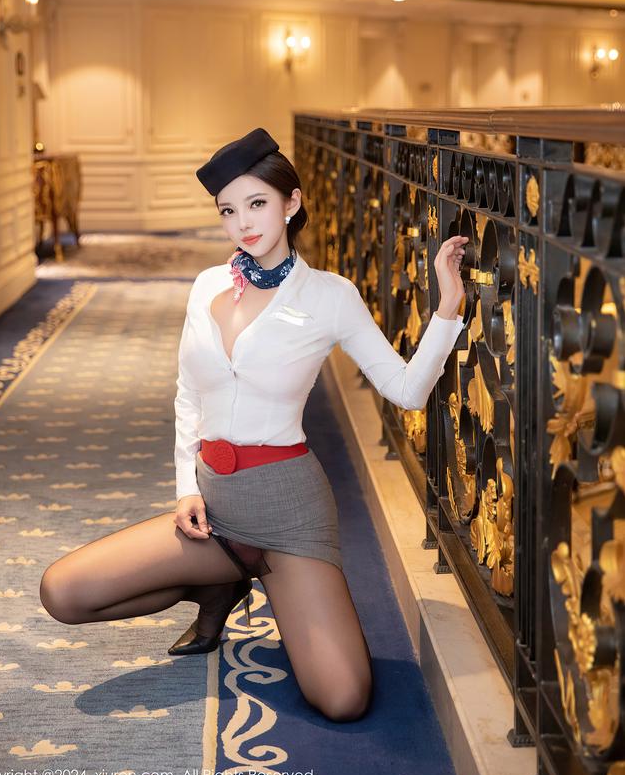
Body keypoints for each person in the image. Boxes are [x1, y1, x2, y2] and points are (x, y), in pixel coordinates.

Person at [39, 127, 468, 723]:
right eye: (228, 210)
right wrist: (185, 489)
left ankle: (253, 580)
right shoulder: (207, 286)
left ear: (291, 204)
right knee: (62, 594)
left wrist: (448, 307)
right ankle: (219, 583)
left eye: (257, 203)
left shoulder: (330, 296)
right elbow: (189, 394)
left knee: (343, 699)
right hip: (214, 511)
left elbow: (407, 391)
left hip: (290, 517)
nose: (243, 223)